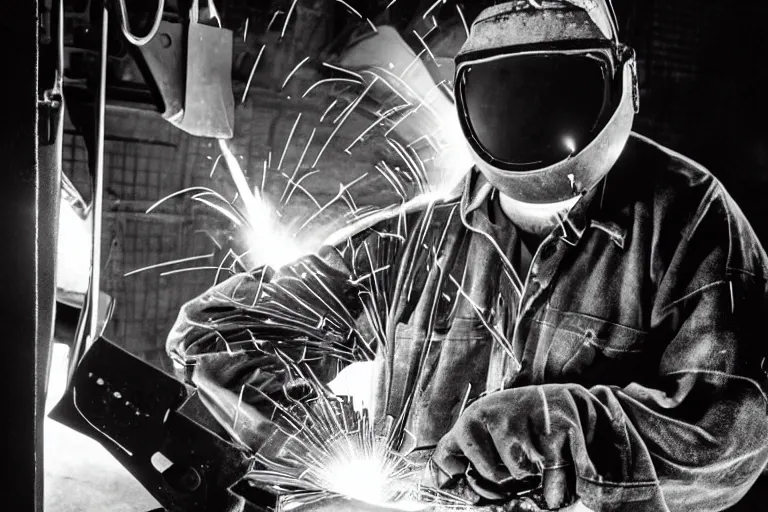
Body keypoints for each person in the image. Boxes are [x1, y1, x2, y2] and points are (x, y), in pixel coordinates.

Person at [166, 1, 768, 510]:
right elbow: (214, 333)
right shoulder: (416, 242)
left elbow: (732, 437)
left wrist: (559, 427)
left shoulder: (691, 224)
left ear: (623, 81)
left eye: (555, 90)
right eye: (510, 91)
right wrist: (314, 450)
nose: (531, 115)